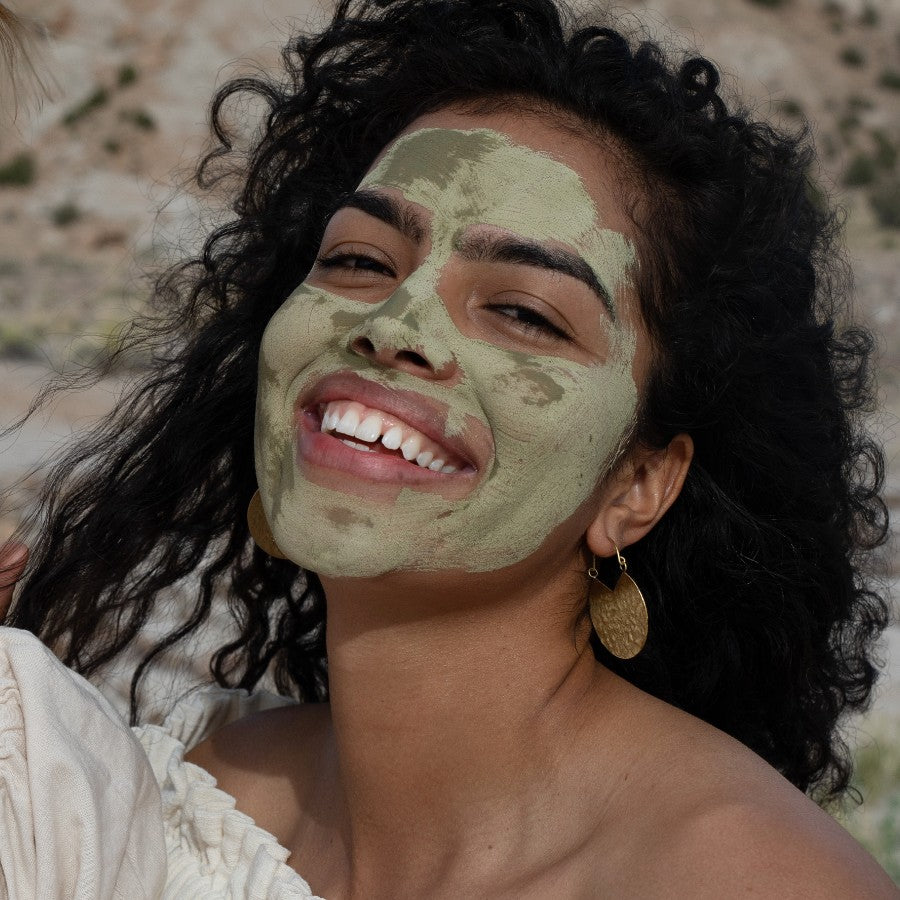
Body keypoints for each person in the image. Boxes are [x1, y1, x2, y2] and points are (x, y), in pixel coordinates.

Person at [1, 0, 897, 895]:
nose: (396, 325)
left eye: (521, 312)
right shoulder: (161, 803)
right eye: (359, 261)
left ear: (638, 484)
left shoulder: (745, 879)